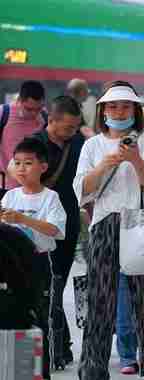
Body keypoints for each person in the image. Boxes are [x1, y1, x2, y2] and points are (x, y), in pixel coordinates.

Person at [73, 81, 144, 380]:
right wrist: (103, 165)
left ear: (135, 110)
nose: (119, 111)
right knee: (100, 298)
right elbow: (82, 191)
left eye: (125, 106)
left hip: (141, 225)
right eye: (113, 106)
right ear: (102, 111)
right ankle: (93, 367)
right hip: (104, 224)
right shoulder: (92, 145)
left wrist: (135, 158)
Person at [1, 137, 67, 380]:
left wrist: (23, 220)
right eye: (17, 163)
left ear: (43, 167)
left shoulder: (50, 198)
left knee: (40, 319)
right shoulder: (9, 196)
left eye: (28, 163)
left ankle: (41, 373)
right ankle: (19, 371)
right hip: (9, 266)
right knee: (14, 316)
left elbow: (55, 231)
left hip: (39, 263)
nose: (21, 168)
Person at [30, 96, 84, 369]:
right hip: (37, 224)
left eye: (76, 127)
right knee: (41, 288)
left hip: (68, 225)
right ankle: (55, 348)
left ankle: (58, 349)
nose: (72, 133)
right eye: (68, 128)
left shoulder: (78, 143)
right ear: (51, 120)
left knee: (56, 286)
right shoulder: (33, 144)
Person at [1, 81, 47, 190]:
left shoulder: (44, 118)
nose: (34, 113)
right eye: (29, 109)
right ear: (19, 100)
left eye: (38, 109)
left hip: (31, 190)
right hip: (4, 186)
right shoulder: (4, 113)